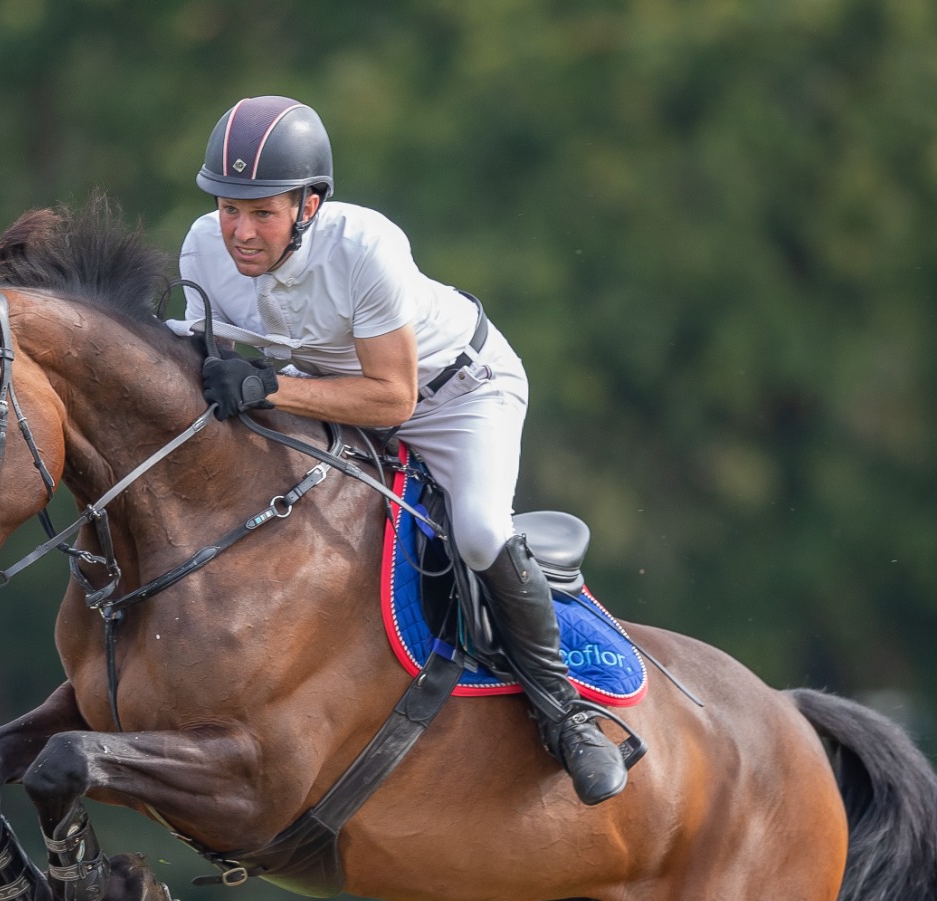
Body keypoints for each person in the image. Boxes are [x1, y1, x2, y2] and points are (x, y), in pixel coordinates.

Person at [177, 95, 641, 805]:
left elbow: (392, 398)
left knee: (482, 530)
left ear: (308, 205)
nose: (240, 231)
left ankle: (566, 716)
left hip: (453, 397)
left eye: (261, 212)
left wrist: (266, 388)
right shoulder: (201, 249)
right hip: (329, 397)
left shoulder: (365, 247)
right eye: (227, 208)